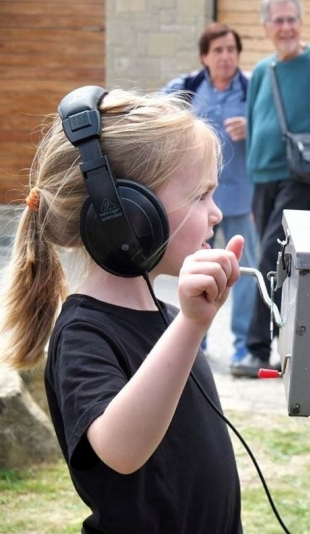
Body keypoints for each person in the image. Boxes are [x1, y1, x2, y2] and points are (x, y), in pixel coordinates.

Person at [0, 88, 243, 533]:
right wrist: (192, 326)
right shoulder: (84, 332)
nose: (216, 213)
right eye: (200, 195)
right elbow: (122, 449)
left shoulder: (169, 318)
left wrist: (186, 322)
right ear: (127, 212)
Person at [236, 0, 310, 378]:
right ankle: (284, 347)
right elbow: (254, 126)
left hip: (300, 178)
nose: (285, 28)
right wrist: (253, 185)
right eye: (277, 21)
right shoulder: (263, 72)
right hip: (263, 180)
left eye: (291, 20)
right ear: (267, 27)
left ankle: (254, 350)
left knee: (269, 257)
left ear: (300, 23)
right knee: (279, 263)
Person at [163, 22, 259, 370]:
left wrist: (253, 128)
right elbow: (154, 122)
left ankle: (243, 347)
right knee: (195, 268)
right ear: (204, 56)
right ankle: (194, 342)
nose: (225, 56)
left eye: (231, 49)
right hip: (195, 202)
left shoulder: (253, 89)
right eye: (218, 50)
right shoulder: (185, 88)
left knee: (242, 269)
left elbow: (277, 129)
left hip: (242, 199)